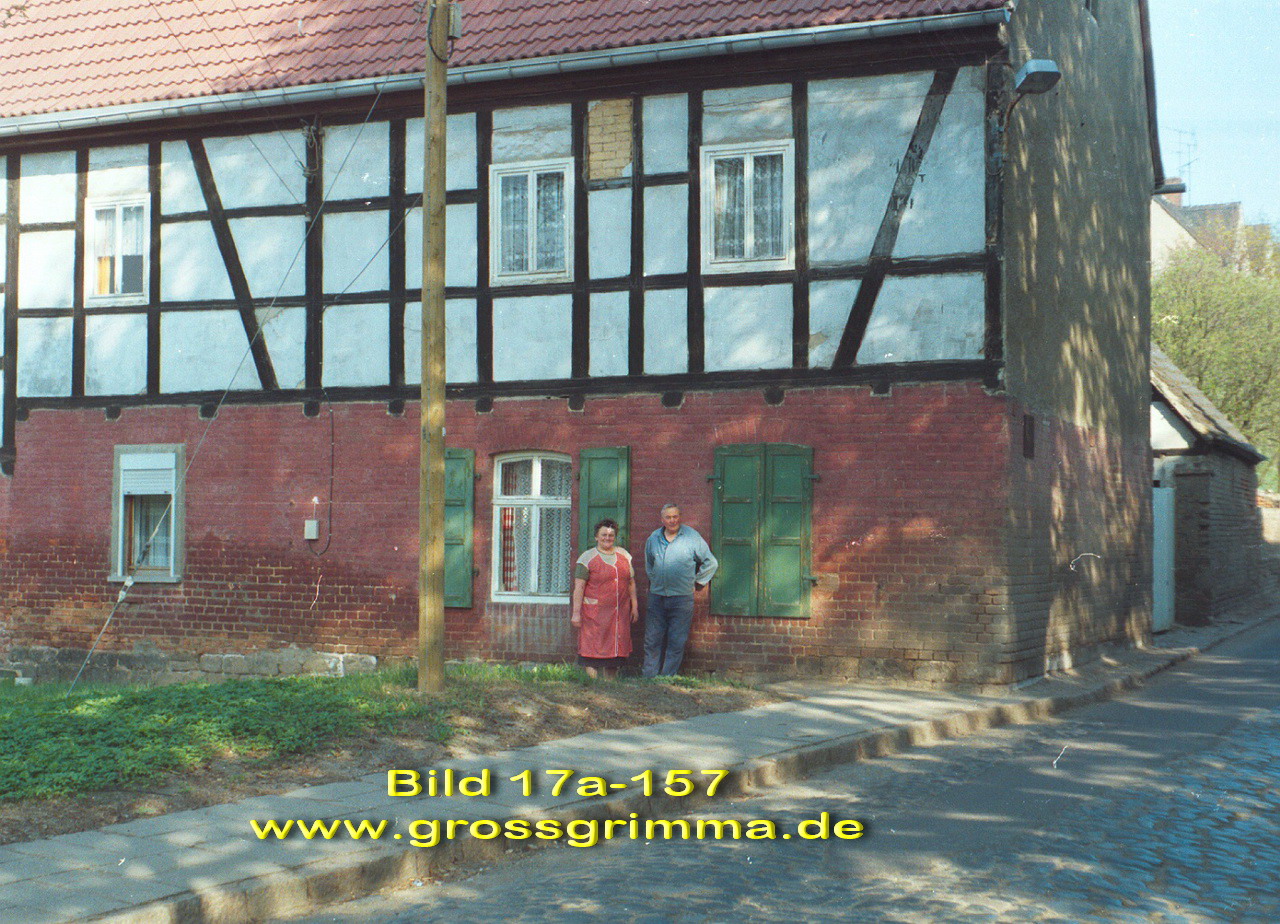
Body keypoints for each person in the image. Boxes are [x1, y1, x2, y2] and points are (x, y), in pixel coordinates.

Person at [642, 503, 717, 678]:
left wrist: (697, 582)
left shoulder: (691, 537)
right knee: (652, 639)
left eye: (675, 516)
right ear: (662, 519)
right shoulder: (653, 538)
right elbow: (649, 564)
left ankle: (667, 677)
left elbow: (711, 562)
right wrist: (657, 580)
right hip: (657, 597)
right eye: (668, 517)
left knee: (676, 641)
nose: (672, 520)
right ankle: (649, 678)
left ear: (680, 517)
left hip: (681, 599)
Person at [571, 518, 638, 679]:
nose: (607, 538)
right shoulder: (587, 558)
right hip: (595, 614)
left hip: (619, 614)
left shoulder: (624, 556)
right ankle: (593, 684)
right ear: (596, 537)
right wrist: (576, 613)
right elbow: (579, 587)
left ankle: (610, 685)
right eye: (604, 535)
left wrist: (634, 606)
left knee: (614, 651)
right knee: (592, 648)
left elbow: (631, 583)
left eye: (611, 535)